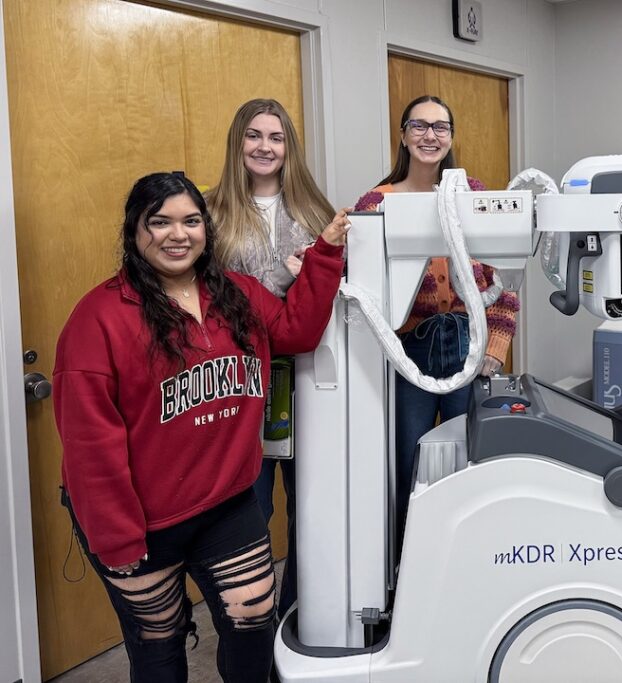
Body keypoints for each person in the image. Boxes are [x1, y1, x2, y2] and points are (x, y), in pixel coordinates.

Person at [53, 173, 348, 682]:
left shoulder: (236, 292)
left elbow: (296, 331)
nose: (177, 234)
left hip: (227, 505)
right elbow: (89, 445)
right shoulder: (97, 319)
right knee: (159, 649)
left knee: (254, 621)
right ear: (135, 232)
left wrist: (324, 256)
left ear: (206, 230)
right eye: (159, 222)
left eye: (190, 221)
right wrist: (119, 541)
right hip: (140, 521)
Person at [354, 94, 520, 545]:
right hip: (410, 350)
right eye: (419, 126)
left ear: (451, 137)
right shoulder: (376, 203)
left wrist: (495, 346)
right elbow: (362, 289)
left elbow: (504, 280)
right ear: (404, 135)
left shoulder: (474, 197)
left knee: (472, 456)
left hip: (468, 342)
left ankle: (467, 549)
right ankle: (410, 559)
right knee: (408, 459)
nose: (430, 135)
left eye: (440, 127)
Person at [206, 98, 338, 618]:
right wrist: (285, 279)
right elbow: (215, 298)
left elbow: (333, 294)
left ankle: (300, 616)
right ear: (238, 142)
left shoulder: (315, 212)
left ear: (290, 147)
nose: (265, 147)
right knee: (247, 511)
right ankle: (249, 623)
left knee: (312, 507)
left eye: (276, 137)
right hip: (241, 385)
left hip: (309, 380)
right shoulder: (211, 212)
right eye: (254, 136)